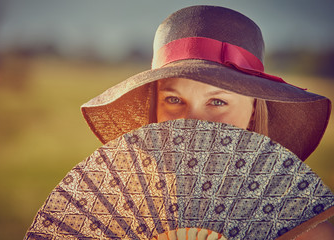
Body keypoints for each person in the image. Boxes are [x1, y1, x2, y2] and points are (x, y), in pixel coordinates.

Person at [80, 5, 334, 239]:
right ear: (154, 112)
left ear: (253, 112)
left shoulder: (306, 234)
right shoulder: (116, 220)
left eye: (217, 102)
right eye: (173, 99)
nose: (193, 124)